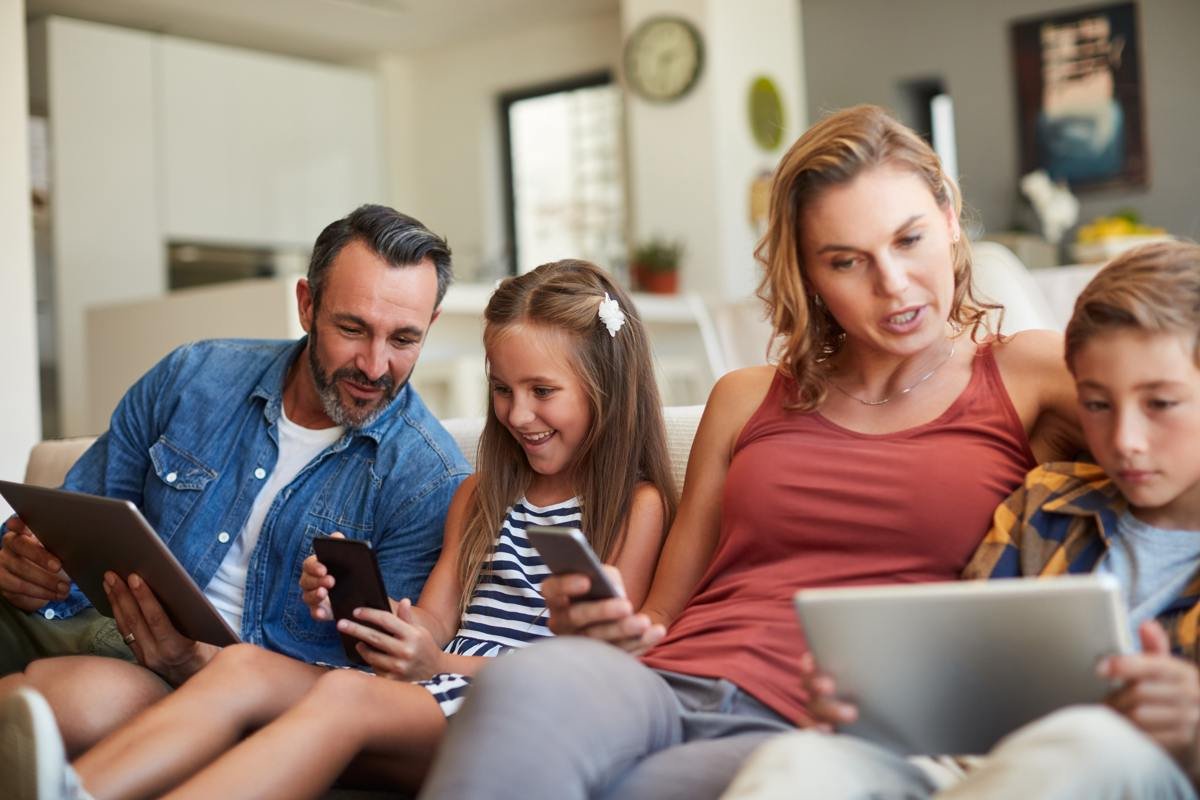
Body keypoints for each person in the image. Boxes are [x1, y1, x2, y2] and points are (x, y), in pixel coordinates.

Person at [410, 104, 1083, 800]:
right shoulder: (746, 397)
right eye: (846, 261)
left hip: (808, 724)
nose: (892, 283)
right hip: (660, 683)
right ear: (809, 275)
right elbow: (663, 616)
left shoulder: (1027, 374)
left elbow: (1166, 414)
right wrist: (612, 624)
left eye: (909, 239)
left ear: (949, 218)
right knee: (531, 680)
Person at [0, 259, 677, 800]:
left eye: (542, 391)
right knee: (241, 665)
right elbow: (434, 620)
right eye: (502, 390)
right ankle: (80, 788)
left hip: (512, 709)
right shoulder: (480, 494)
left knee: (347, 694)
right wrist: (361, 614)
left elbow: (593, 665)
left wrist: (433, 664)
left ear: (606, 389)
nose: (517, 414)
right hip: (426, 696)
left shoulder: (633, 506)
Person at [723, 241, 1200, 799]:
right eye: (1096, 404)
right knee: (800, 761)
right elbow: (959, 673)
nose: (1125, 441)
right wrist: (873, 703)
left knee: (1094, 741)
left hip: (1144, 772)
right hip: (976, 770)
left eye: (1161, 404)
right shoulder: (1048, 505)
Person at [0, 204, 470, 753]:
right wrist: (26, 562)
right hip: (81, 623)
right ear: (307, 304)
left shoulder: (428, 478)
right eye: (352, 328)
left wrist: (195, 662)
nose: (373, 365)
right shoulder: (193, 377)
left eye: (403, 340)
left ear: (429, 327)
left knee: (40, 704)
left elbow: (373, 691)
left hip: (202, 691)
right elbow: (73, 521)